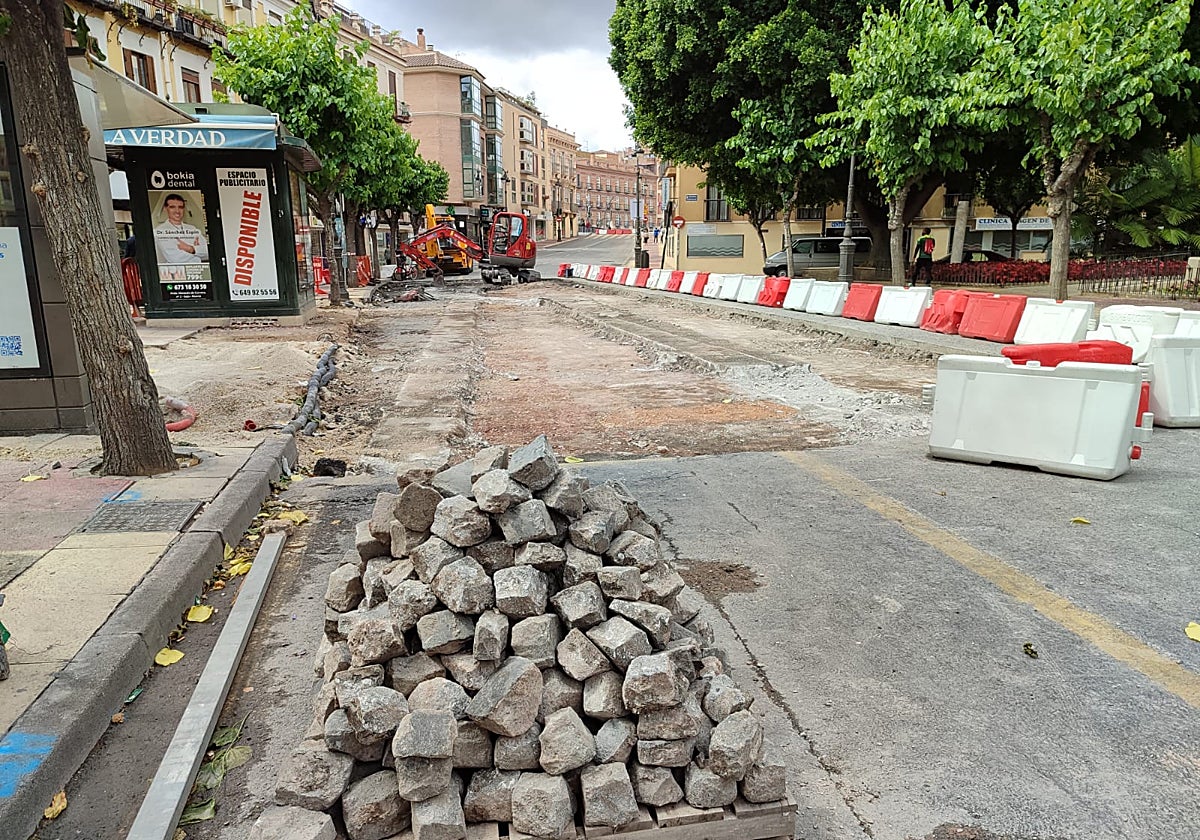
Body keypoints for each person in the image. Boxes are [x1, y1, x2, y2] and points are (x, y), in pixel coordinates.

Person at [154, 193, 208, 265]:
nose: (177, 211)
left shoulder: (192, 228)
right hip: (177, 271)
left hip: (198, 269)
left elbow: (208, 252)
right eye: (172, 207)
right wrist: (197, 250)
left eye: (180, 207)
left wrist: (190, 248)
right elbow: (174, 258)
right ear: (165, 208)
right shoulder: (160, 230)